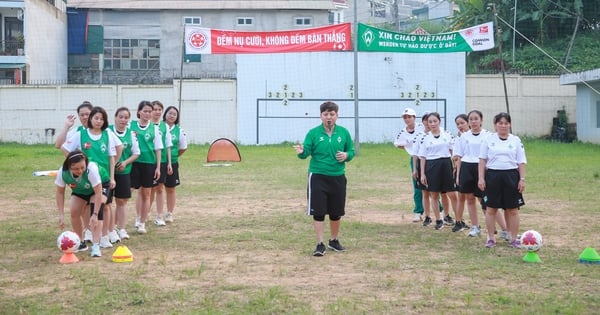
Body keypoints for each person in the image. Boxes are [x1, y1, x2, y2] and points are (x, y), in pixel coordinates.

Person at [293, 101, 355, 256]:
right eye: (326, 114)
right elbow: (305, 152)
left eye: (332, 114)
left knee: (336, 212)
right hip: (318, 176)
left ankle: (333, 240)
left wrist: (346, 155)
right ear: (321, 116)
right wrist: (301, 151)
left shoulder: (343, 133)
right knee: (319, 211)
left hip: (337, 176)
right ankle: (319, 244)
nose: (329, 117)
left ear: (337, 115)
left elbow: (351, 151)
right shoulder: (313, 133)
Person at [62, 106, 122, 248]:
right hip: (86, 178)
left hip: (103, 177)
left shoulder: (107, 135)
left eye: (102, 119)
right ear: (90, 119)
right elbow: (64, 148)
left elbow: (112, 158)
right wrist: (75, 165)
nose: (99, 121)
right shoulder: (81, 134)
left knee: (105, 206)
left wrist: (112, 177)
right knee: (88, 207)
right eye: (96, 118)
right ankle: (89, 233)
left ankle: (105, 236)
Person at [454, 111, 509, 237]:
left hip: (482, 168)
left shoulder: (488, 136)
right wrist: (458, 175)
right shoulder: (463, 137)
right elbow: (459, 157)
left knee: (487, 201)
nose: (473, 121)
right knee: (470, 199)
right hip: (467, 168)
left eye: (476, 119)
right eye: (471, 119)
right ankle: (475, 227)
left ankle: (505, 229)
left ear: (481, 120)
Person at [478, 112, 527, 248]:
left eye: (506, 123)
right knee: (491, 209)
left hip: (511, 176)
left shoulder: (516, 140)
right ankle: (491, 238)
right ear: (495, 125)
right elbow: (482, 160)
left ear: (510, 125)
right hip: (493, 176)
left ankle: (513, 238)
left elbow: (521, 162)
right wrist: (481, 178)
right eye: (500, 123)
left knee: (513, 210)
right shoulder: (488, 140)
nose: (503, 126)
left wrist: (522, 179)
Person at [55, 101, 94, 243]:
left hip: (96, 173)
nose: (85, 117)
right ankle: (86, 232)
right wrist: (66, 126)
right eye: (82, 115)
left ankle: (101, 231)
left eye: (87, 114)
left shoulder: (99, 131)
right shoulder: (76, 132)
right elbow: (59, 145)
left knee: (98, 205)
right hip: (80, 174)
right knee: (82, 203)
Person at [55, 150, 107, 257]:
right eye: (76, 169)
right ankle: (80, 242)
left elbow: (98, 192)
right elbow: (60, 192)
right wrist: (61, 214)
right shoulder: (62, 172)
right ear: (69, 167)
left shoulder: (91, 169)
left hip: (100, 187)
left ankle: (96, 245)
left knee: (96, 210)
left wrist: (95, 214)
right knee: (74, 211)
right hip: (81, 190)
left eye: (82, 167)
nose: (80, 171)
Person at [131, 100, 164, 234]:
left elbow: (158, 149)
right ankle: (135, 217)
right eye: (145, 111)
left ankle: (142, 223)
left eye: (150, 111)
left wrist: (157, 167)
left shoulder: (155, 129)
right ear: (139, 112)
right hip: (133, 162)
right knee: (129, 192)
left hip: (149, 164)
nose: (147, 114)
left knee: (147, 193)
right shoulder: (131, 125)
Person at [418, 112, 455, 230]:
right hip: (432, 166)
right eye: (430, 122)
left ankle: (449, 216)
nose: (433, 124)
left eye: (435, 121)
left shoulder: (447, 135)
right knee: (434, 194)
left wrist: (455, 166)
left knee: (448, 193)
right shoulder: (425, 138)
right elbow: (423, 157)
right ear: (427, 124)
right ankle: (438, 220)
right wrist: (422, 173)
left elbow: (453, 152)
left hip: (446, 164)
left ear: (439, 121)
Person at [110, 107, 140, 240]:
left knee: (122, 201)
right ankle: (109, 229)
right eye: (120, 117)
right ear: (115, 117)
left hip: (124, 172)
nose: (123, 119)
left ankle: (121, 229)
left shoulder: (131, 134)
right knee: (107, 203)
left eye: (126, 117)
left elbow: (136, 153)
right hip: (107, 172)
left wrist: (125, 163)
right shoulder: (107, 131)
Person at [394, 107, 425, 222]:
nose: (407, 119)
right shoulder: (403, 131)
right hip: (415, 159)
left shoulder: (422, 127)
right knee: (417, 186)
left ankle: (440, 211)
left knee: (432, 187)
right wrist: (406, 147)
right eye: (405, 117)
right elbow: (397, 143)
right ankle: (418, 211)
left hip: (427, 158)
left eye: (409, 117)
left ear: (414, 118)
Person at [149, 100, 172, 226]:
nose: (157, 112)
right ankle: (144, 214)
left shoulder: (165, 126)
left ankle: (159, 216)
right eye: (155, 109)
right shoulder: (147, 126)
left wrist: (169, 162)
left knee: (159, 188)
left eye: (159, 110)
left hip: (161, 161)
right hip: (147, 161)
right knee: (147, 190)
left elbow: (168, 145)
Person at [162, 106, 187, 223]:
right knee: (154, 189)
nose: (172, 116)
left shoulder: (179, 130)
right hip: (158, 162)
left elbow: (183, 148)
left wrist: (173, 157)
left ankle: (169, 213)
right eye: (170, 113)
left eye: (174, 114)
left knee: (170, 189)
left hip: (172, 163)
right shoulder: (158, 127)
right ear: (165, 114)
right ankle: (148, 214)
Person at [451, 113, 471, 232]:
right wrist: (457, 173)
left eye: (462, 123)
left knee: (478, 198)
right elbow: (456, 157)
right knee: (461, 197)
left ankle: (490, 225)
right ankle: (458, 222)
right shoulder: (459, 138)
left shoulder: (475, 136)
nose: (460, 125)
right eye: (458, 124)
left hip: (474, 170)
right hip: (462, 170)